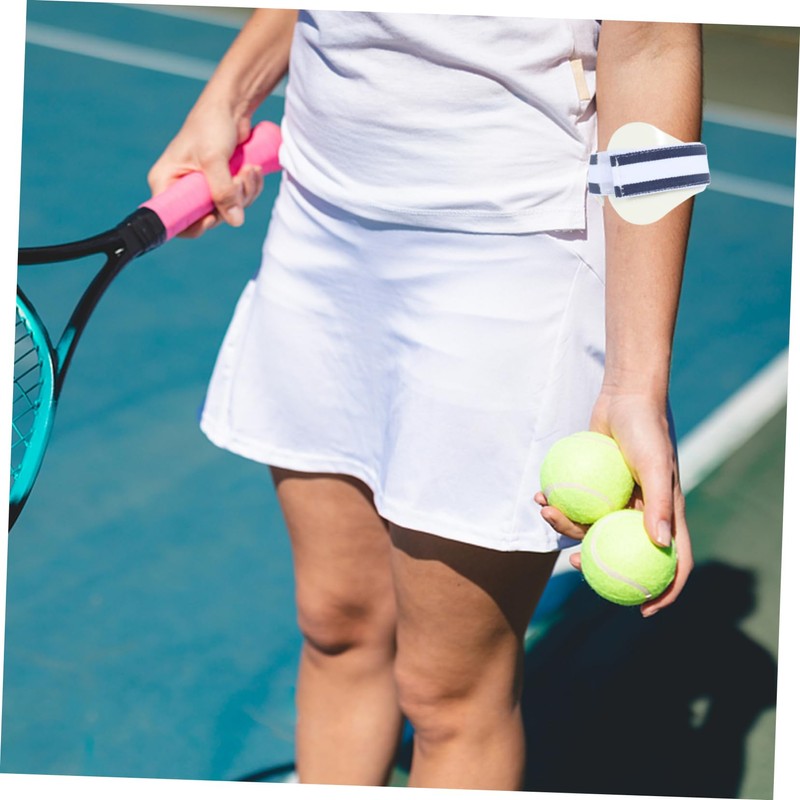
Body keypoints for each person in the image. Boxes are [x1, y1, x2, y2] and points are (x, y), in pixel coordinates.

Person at [149, 10, 698, 790]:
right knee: (337, 626)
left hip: (508, 252)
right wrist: (229, 95)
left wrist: (635, 382)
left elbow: (653, 45)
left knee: (448, 695)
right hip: (320, 219)